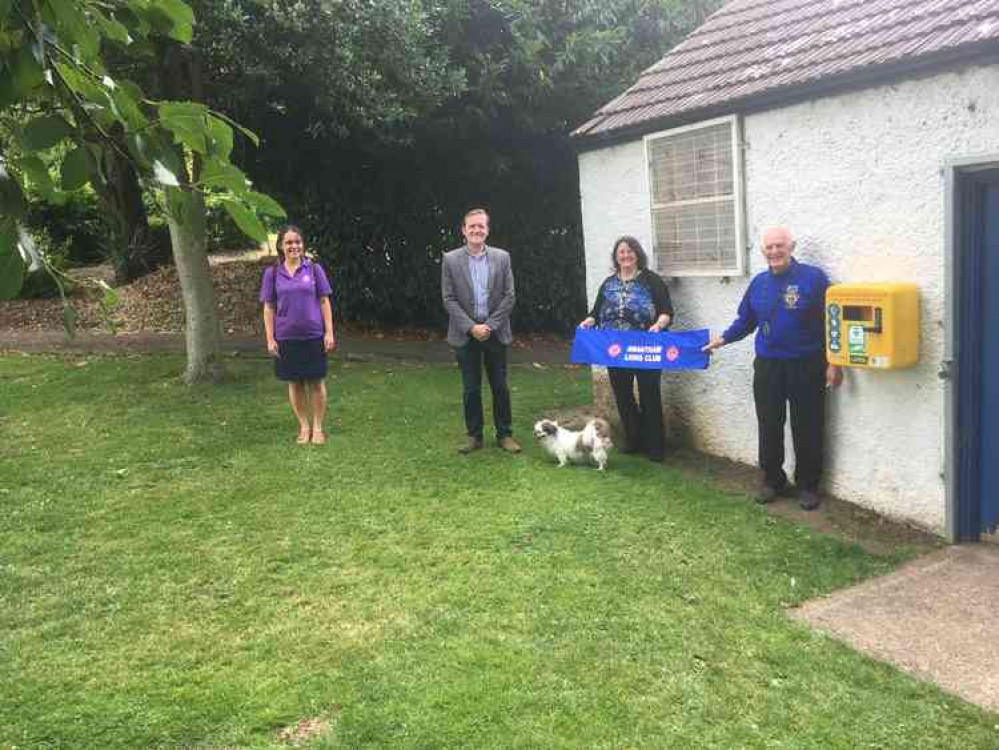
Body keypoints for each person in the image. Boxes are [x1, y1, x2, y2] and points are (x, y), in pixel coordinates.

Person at [702, 226, 842, 510]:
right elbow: (746, 320)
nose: (775, 252)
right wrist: (723, 338)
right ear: (763, 251)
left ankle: (808, 485)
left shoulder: (813, 279)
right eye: (769, 247)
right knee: (769, 423)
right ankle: (772, 480)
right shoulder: (759, 283)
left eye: (780, 246)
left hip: (807, 364)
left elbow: (832, 321)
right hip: (768, 365)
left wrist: (834, 362)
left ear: (792, 246)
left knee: (808, 425)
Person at [579, 236, 674, 461]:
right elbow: (596, 312)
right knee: (623, 396)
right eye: (621, 252)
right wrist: (588, 321)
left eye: (630, 251)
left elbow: (667, 312)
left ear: (637, 255)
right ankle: (634, 440)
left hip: (646, 346)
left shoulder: (652, 281)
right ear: (616, 257)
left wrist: (659, 324)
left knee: (649, 395)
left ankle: (655, 447)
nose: (626, 255)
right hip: (615, 349)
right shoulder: (609, 283)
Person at [442, 208, 520, 455]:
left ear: (487, 230)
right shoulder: (450, 260)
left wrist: (490, 325)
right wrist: (471, 327)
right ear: (464, 230)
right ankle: (474, 436)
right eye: (472, 226)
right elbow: (449, 299)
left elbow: (509, 296)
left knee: (500, 386)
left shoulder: (502, 257)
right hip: (465, 334)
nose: (477, 230)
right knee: (471, 388)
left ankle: (505, 434)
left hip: (495, 332)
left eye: (481, 226)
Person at [260, 225, 336, 445]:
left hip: (313, 335)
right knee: (294, 384)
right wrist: (270, 338)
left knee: (316, 383)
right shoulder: (272, 273)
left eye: (298, 242)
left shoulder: (314, 270)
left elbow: (324, 301)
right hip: (286, 337)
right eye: (289, 243)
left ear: (303, 245)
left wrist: (329, 332)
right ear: (281, 246)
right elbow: (268, 308)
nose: (294, 246)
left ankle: (318, 428)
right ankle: (304, 426)